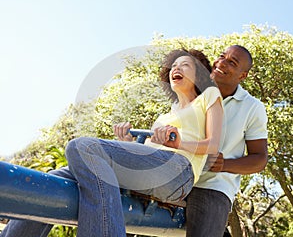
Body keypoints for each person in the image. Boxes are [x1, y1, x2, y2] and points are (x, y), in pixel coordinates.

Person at [0, 48, 223, 237]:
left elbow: (212, 146)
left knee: (82, 147)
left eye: (185, 65)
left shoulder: (208, 97)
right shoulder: (164, 117)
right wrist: (125, 142)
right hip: (151, 169)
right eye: (174, 65)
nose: (176, 68)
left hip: (177, 172)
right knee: (58, 178)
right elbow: (147, 155)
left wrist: (180, 143)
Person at [185, 45, 268, 237]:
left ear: (242, 76)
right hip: (177, 178)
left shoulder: (252, 108)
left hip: (212, 186)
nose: (221, 63)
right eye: (222, 56)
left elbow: (260, 158)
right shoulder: (193, 93)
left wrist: (224, 165)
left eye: (232, 63)